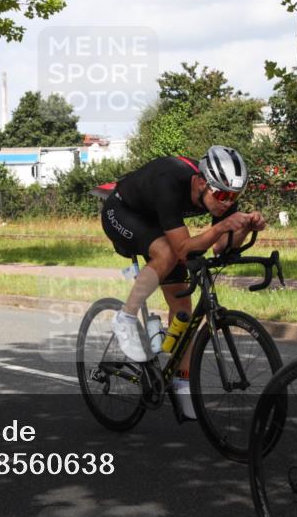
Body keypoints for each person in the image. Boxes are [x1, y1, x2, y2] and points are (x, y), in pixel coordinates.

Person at [100, 146, 266, 377]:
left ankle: (181, 385)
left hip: (159, 221)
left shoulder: (222, 192)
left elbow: (221, 246)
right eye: (222, 196)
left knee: (183, 309)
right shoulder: (169, 180)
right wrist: (221, 226)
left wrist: (246, 227)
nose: (227, 203)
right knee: (167, 254)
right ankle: (125, 317)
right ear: (201, 183)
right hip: (123, 212)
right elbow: (182, 250)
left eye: (234, 197)